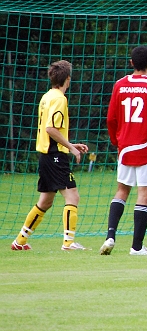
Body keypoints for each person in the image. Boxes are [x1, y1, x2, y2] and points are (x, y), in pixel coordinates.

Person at [100, 46, 147, 256]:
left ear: (131, 63)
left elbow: (110, 119)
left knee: (122, 191)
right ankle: (136, 247)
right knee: (144, 195)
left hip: (125, 148)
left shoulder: (119, 85)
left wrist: (117, 142)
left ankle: (110, 236)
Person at [12, 60, 89, 251]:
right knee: (73, 196)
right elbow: (51, 128)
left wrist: (71, 143)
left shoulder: (47, 96)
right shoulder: (60, 99)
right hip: (55, 155)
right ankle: (68, 243)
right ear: (68, 79)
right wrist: (71, 147)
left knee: (45, 201)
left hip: (45, 156)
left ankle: (19, 241)